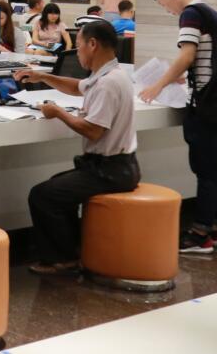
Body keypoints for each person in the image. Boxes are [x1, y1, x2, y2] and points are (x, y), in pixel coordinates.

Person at [16, 21, 140, 274]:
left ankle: (61, 259)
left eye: (80, 44)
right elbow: (76, 87)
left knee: (42, 195)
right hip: (117, 166)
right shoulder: (110, 75)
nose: (78, 50)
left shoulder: (108, 83)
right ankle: (71, 251)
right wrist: (43, 76)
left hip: (110, 171)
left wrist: (58, 112)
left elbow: (93, 130)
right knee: (57, 187)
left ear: (92, 44)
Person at [139, 0, 217, 255]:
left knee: (206, 170)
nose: (168, 11)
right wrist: (185, 76)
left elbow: (187, 55)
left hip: (205, 105)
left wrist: (158, 84)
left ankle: (199, 235)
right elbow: (208, 61)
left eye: (164, 4)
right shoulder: (214, 14)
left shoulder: (190, 14)